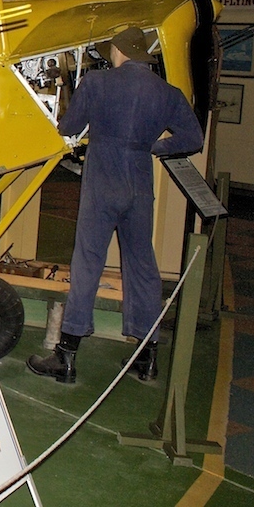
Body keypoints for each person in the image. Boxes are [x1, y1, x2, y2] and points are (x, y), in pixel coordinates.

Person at [27, 25, 204, 384]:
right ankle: (147, 357)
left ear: (118, 52)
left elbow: (69, 126)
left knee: (88, 261)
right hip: (139, 181)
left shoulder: (97, 84)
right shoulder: (167, 93)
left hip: (103, 179)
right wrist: (154, 147)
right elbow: (193, 137)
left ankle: (68, 357)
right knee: (142, 265)